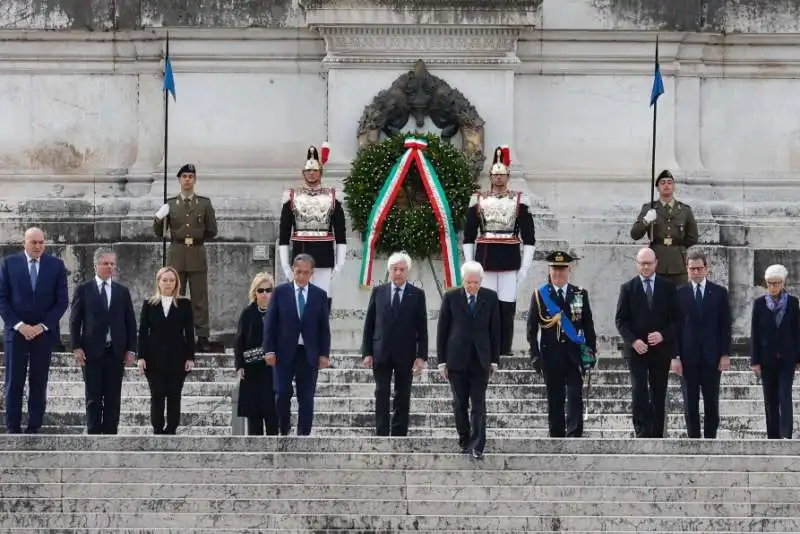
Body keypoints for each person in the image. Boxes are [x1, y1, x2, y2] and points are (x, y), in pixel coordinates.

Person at [463, 145, 535, 356]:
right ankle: (485, 347)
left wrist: (525, 267)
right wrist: (469, 264)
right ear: (490, 176)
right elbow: (468, 236)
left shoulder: (520, 201)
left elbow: (529, 238)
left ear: (508, 176)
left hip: (509, 261)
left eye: (502, 175)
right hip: (485, 260)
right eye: (495, 175)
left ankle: (504, 349)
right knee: (485, 306)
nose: (498, 179)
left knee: (506, 307)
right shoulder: (478, 199)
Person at [0, 227, 68, 434]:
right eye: (33, 242)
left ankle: (34, 426)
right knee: (14, 380)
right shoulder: (9, 264)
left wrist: (41, 326)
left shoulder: (56, 266)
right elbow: (2, 298)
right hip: (16, 333)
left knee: (39, 380)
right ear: (25, 243)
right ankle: (12, 426)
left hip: (43, 334)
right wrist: (20, 326)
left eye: (41, 242)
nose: (38, 246)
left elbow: (61, 301)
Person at [527, 251, 597, 438]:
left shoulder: (579, 294)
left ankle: (574, 435)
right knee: (555, 398)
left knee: (575, 397)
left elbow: (588, 325)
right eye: (554, 269)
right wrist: (534, 355)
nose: (558, 273)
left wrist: (591, 352)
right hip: (550, 356)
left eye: (562, 269)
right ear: (549, 270)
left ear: (569, 270)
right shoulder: (540, 295)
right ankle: (556, 436)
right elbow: (532, 330)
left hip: (574, 355)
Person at [68, 248, 137, 435]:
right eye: (105, 263)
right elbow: (75, 320)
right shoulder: (84, 289)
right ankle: (93, 432)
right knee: (93, 396)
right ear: (96, 265)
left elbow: (130, 321)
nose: (109, 267)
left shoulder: (122, 292)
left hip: (115, 352)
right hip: (92, 351)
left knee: (113, 396)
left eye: (112, 264)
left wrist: (131, 349)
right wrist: (76, 347)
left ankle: (110, 433)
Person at [436, 260, 500, 459]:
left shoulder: (490, 298)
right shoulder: (451, 297)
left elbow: (495, 331)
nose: (472, 286)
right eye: (468, 282)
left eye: (476, 283)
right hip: (457, 360)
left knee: (479, 404)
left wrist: (495, 359)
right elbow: (442, 330)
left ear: (481, 281)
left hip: (481, 360)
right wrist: (442, 361)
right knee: (459, 403)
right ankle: (465, 439)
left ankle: (478, 444)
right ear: (462, 281)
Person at [615, 247, 680, 438]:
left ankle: (658, 432)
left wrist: (663, 335)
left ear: (656, 263)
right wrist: (633, 341)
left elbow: (677, 320)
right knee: (639, 390)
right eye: (642, 263)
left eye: (649, 263)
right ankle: (642, 432)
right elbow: (620, 320)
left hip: (661, 351)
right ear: (637, 264)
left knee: (659, 392)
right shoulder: (627, 288)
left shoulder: (668, 287)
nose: (645, 267)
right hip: (637, 351)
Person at [263, 253, 331, 436]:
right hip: (283, 353)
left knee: (306, 396)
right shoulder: (280, 292)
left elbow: (324, 327)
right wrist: (268, 350)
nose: (301, 276)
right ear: (293, 271)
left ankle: (304, 435)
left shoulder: (320, 295)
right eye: (298, 272)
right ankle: (283, 430)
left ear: (312, 273)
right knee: (282, 394)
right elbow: (270, 323)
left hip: (308, 353)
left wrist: (324, 354)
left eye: (305, 272)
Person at [361, 251, 428, 436]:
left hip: (405, 353)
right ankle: (381, 431)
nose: (398, 273)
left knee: (402, 394)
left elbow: (422, 328)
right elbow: (369, 324)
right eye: (395, 269)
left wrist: (421, 356)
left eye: (402, 269)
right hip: (380, 351)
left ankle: (399, 433)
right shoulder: (378, 292)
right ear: (389, 270)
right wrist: (366, 352)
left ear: (408, 271)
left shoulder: (417, 294)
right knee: (381, 392)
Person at [153, 163, 218, 352]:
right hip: (177, 253)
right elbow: (159, 232)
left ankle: (202, 336)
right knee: (174, 295)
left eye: (190, 176)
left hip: (196, 253)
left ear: (194, 180)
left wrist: (197, 238)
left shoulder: (204, 203)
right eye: (184, 177)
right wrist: (158, 217)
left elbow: (212, 230)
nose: (187, 180)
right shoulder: (171, 204)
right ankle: (174, 333)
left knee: (199, 298)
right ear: (179, 180)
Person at [670, 250, 732, 439]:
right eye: (692, 269)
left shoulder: (720, 293)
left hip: (712, 357)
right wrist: (675, 357)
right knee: (690, 403)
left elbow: (725, 325)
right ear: (687, 270)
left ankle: (710, 439)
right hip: (687, 358)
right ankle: (693, 441)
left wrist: (725, 354)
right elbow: (674, 328)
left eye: (699, 268)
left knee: (711, 401)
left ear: (706, 268)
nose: (696, 272)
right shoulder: (679, 293)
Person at [278, 144, 347, 312]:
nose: (311, 173)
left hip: (324, 260)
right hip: (300, 257)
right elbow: (284, 236)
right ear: (303, 173)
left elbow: (341, 235)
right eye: (308, 170)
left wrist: (339, 265)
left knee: (322, 304)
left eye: (315, 170)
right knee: (299, 304)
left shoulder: (332, 198)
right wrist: (286, 266)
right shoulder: (291, 198)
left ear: (320, 173)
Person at [136, 266, 196, 434]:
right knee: (157, 394)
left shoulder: (184, 304)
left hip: (178, 357)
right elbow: (142, 332)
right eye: (165, 280)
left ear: (176, 282)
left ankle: (171, 428)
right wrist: (141, 357)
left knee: (174, 394)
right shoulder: (149, 304)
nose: (168, 283)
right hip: (153, 357)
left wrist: (190, 357)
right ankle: (157, 427)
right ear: (158, 282)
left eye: (171, 280)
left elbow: (190, 333)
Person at [750, 264, 800, 439]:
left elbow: (797, 330)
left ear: (783, 283)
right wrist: (754, 360)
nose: (773, 287)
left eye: (777, 283)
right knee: (770, 398)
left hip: (787, 357)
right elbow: (755, 333)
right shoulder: (759, 304)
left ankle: (786, 433)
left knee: (784, 394)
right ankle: (773, 435)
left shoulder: (793, 303)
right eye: (770, 283)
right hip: (766, 358)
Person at [630, 169, 698, 286]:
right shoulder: (649, 208)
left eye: (669, 182)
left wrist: (678, 246)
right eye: (662, 183)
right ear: (657, 187)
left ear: (674, 186)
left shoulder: (685, 210)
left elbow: (693, 237)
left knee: (679, 301)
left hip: (678, 264)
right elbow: (634, 234)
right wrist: (646, 220)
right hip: (656, 263)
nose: (666, 185)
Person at [234, 272, 278, 436]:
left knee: (272, 413)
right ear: (255, 292)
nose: (265, 293)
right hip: (252, 369)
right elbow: (239, 342)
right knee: (254, 415)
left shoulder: (279, 312)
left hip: (273, 369)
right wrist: (239, 366)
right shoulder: (247, 313)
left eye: (268, 290)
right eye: (261, 290)